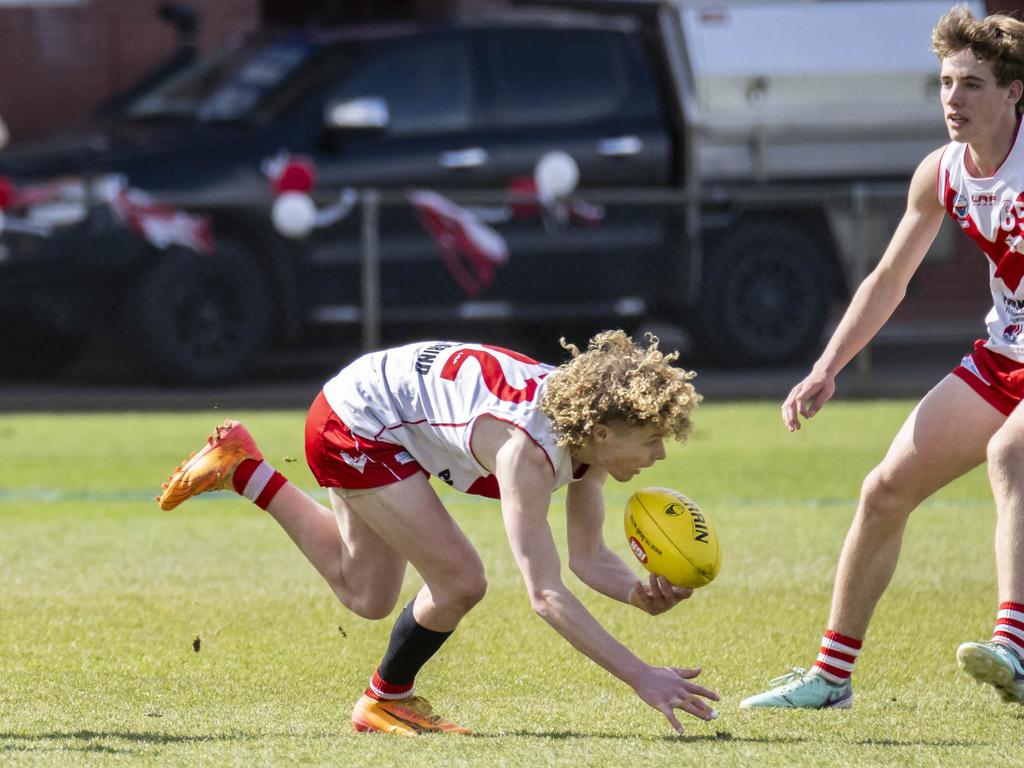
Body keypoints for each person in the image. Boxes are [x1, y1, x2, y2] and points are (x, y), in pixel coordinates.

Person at [157, 330, 719, 735]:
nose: (660, 454)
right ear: (601, 432)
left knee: (368, 595)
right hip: (356, 421)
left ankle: (242, 469)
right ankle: (385, 700)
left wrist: (637, 595)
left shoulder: (584, 438)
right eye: (650, 440)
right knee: (461, 581)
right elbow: (546, 595)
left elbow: (589, 556)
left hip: (384, 410)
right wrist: (642, 676)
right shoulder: (530, 451)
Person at [740, 6, 1024, 710]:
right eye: (946, 82)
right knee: (883, 490)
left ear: (1015, 92)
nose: (954, 100)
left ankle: (1013, 648)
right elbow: (889, 279)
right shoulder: (943, 174)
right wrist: (826, 367)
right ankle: (830, 678)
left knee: (1010, 455)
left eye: (974, 85)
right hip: (1006, 354)